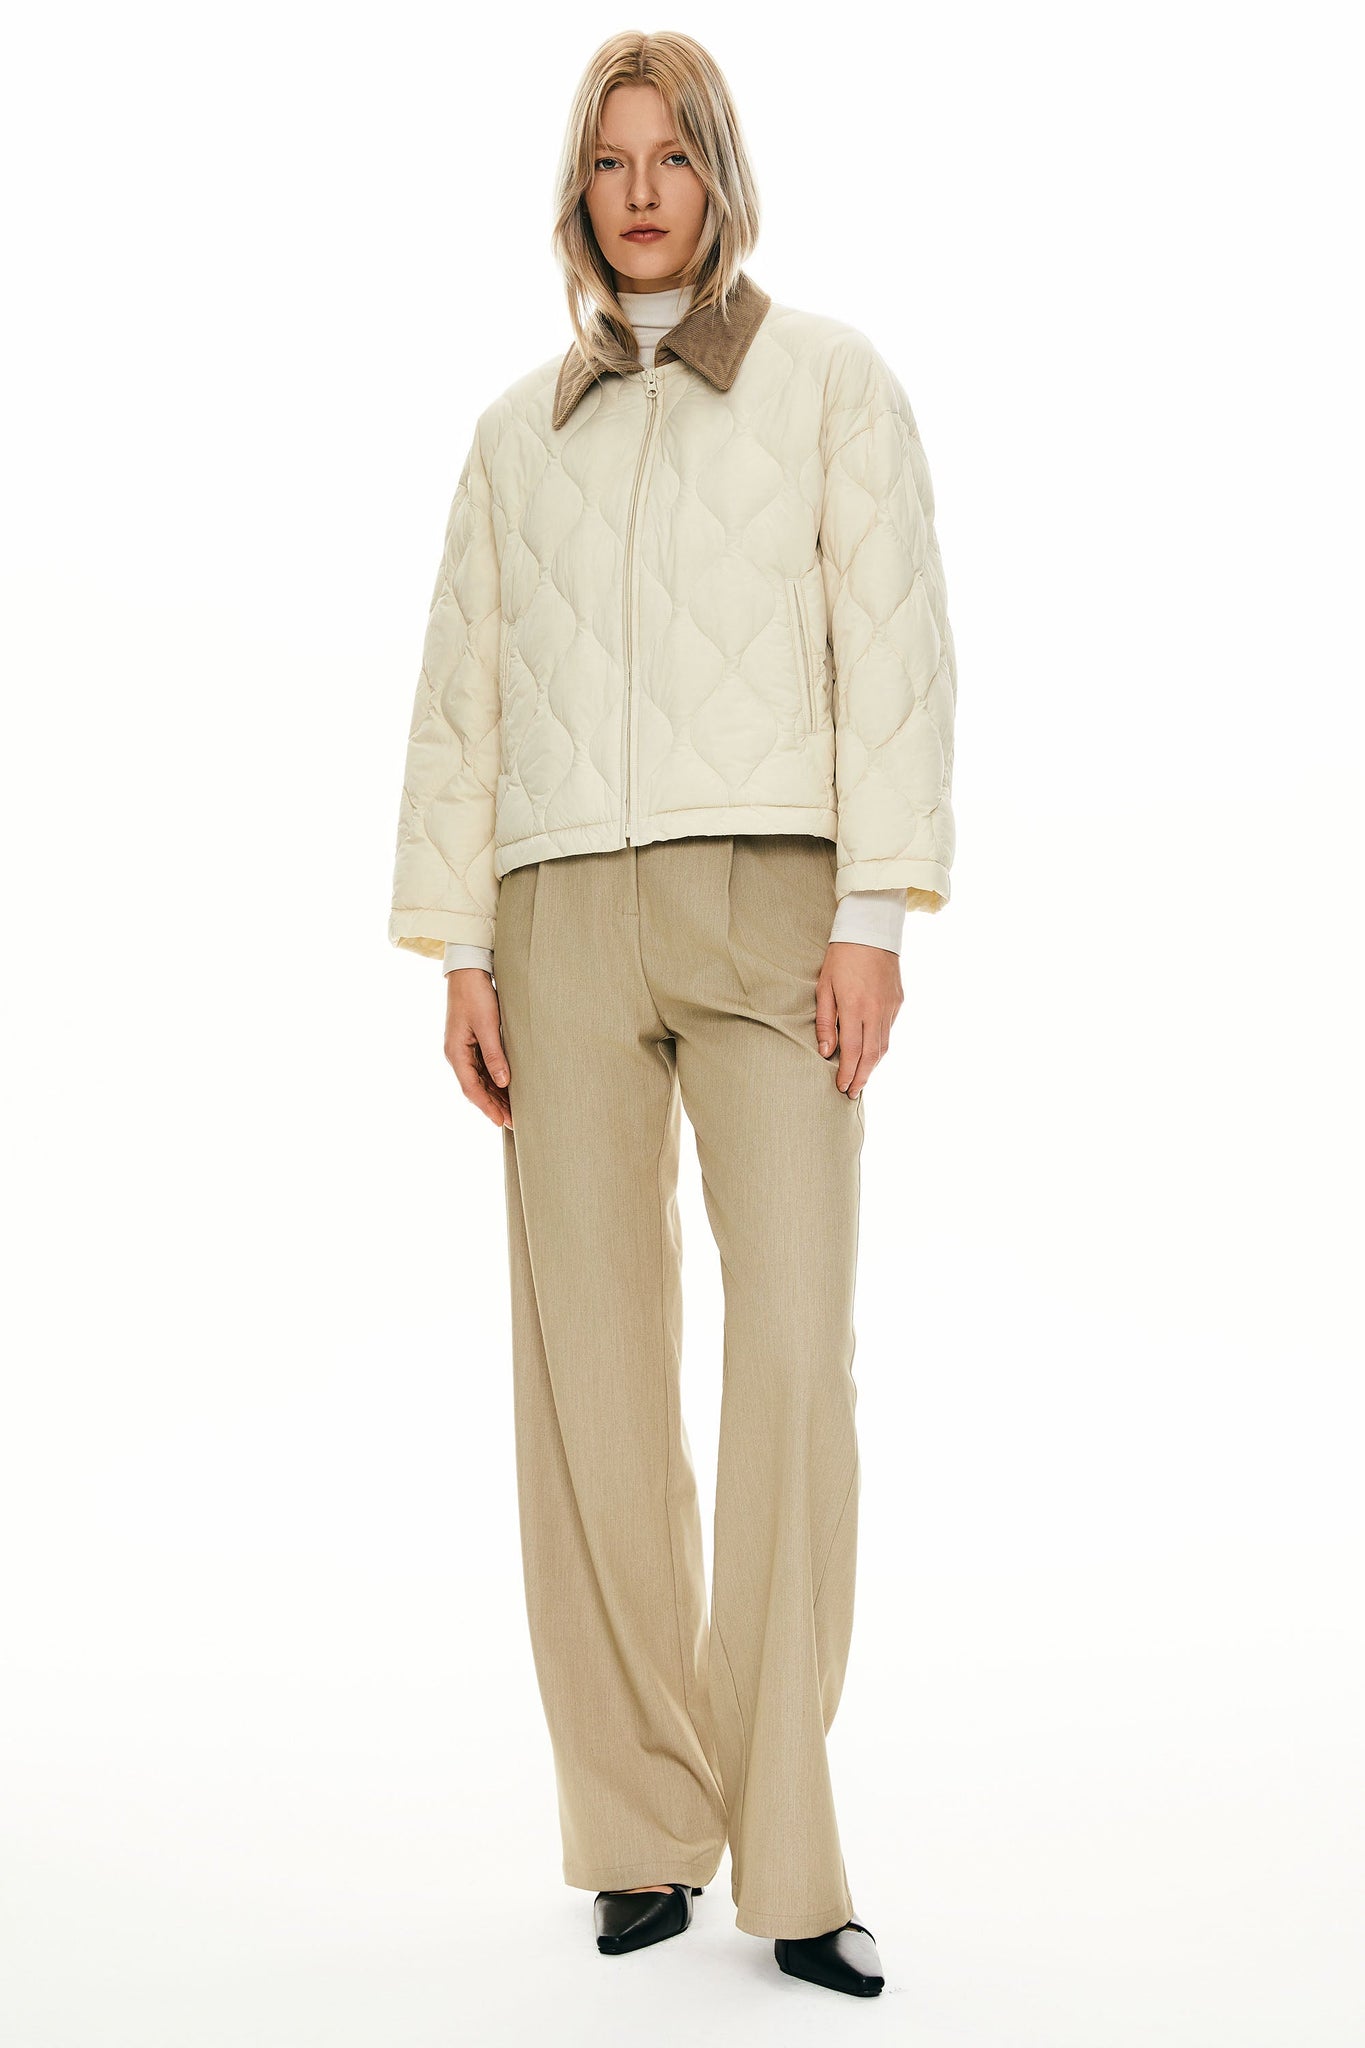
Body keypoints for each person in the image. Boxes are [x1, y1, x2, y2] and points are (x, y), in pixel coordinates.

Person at [387, 29, 957, 2002]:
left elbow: (892, 651)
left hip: (769, 914)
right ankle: (636, 1827)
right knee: (590, 1386)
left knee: (790, 1356)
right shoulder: (512, 435)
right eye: (610, 160)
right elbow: (460, 696)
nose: (640, 192)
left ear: (721, 177)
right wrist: (460, 949)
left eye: (673, 157)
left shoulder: (826, 382)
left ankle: (786, 1850)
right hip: (554, 915)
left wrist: (871, 915)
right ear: (578, 190)